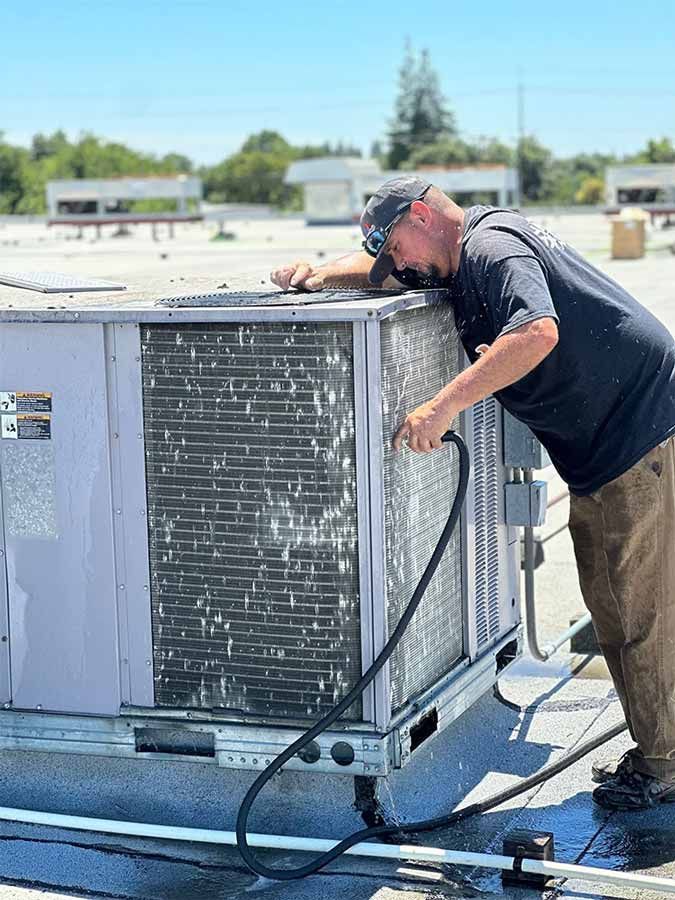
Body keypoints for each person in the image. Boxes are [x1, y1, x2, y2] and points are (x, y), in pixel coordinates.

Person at [271, 176, 675, 811]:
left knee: (644, 613)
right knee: (614, 609)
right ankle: (660, 749)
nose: (399, 265)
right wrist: (315, 275)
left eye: (398, 246)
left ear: (426, 215)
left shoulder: (491, 250)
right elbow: (378, 275)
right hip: (600, 453)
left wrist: (443, 404)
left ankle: (665, 767)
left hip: (638, 435)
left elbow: (538, 331)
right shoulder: (452, 260)